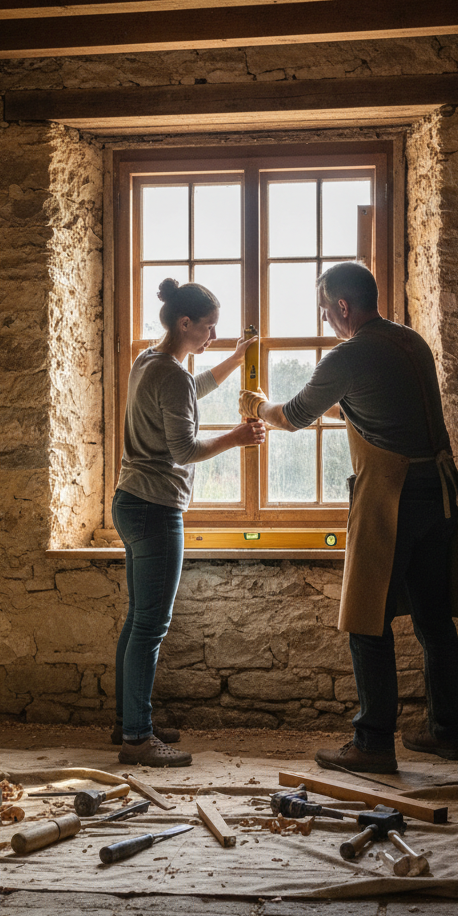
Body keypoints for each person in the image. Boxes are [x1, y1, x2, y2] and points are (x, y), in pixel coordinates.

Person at [238, 261, 458, 774]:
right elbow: (382, 407)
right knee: (434, 621)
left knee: (367, 620)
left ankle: (372, 743)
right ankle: (447, 733)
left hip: (393, 493)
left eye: (325, 310)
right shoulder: (411, 343)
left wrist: (260, 405)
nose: (325, 320)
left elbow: (295, 416)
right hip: (439, 494)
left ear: (343, 306)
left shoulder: (350, 353)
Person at [114, 277, 265, 767]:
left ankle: (128, 721)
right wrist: (238, 437)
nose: (213, 335)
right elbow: (185, 449)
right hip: (157, 509)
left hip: (129, 502)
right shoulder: (170, 374)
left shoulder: (149, 362)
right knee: (151, 626)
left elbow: (193, 389)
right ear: (185, 323)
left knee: (138, 620)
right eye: (208, 327)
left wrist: (238, 359)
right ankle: (137, 738)